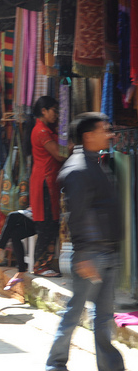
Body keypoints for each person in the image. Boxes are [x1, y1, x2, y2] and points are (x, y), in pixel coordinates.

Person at [46, 113, 125, 371]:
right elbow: (77, 215)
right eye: (105, 130)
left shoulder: (93, 163)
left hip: (105, 252)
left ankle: (110, 366)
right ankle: (55, 364)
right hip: (90, 254)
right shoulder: (78, 169)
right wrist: (83, 254)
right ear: (88, 135)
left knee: (103, 317)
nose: (110, 134)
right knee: (73, 313)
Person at [30, 96, 66, 277]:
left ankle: (45, 263)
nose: (57, 114)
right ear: (43, 110)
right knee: (46, 224)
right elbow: (59, 155)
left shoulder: (46, 130)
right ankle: (39, 265)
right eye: (54, 110)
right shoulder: (42, 131)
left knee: (51, 223)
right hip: (44, 182)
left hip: (47, 181)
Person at [0, 209, 35, 290]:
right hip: (36, 216)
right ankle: (21, 271)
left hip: (43, 219)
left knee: (12, 216)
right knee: (15, 234)